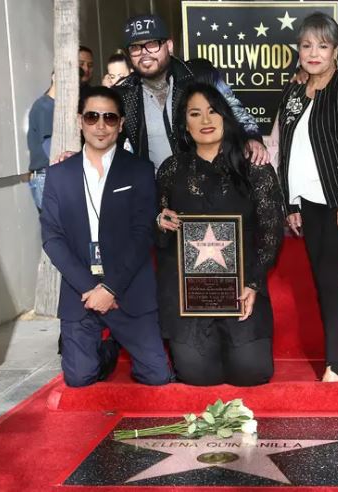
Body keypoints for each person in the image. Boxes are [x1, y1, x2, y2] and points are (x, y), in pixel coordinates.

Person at [40, 86, 171, 387]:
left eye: (110, 118)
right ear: (79, 120)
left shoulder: (140, 171)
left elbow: (142, 234)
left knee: (157, 376)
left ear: (121, 124)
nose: (101, 125)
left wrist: (110, 288)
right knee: (79, 378)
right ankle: (108, 348)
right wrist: (91, 288)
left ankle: (121, 339)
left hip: (128, 289)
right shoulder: (59, 175)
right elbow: (52, 237)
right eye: (92, 116)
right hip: (81, 293)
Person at [155, 83, 283, 386]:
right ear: (184, 123)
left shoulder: (254, 167)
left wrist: (253, 283)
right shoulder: (171, 169)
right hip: (189, 298)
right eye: (195, 114)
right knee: (198, 377)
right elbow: (157, 229)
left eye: (213, 111)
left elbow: (271, 230)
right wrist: (160, 221)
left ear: (226, 115)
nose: (206, 121)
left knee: (251, 373)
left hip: (241, 291)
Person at [278, 13, 338, 382]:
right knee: (323, 278)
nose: (314, 53)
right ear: (298, 51)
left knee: (328, 274)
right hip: (307, 204)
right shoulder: (292, 90)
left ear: (336, 49)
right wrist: (289, 203)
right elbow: (285, 150)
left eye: (322, 45)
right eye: (306, 45)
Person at [115, 14, 267, 172]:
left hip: (208, 180)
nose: (144, 53)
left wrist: (251, 138)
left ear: (169, 45)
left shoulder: (200, 74)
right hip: (155, 190)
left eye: (152, 44)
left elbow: (234, 108)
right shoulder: (123, 94)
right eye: (135, 47)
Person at [27, 73, 55, 211]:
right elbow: (48, 145)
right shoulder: (45, 106)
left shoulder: (50, 105)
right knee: (55, 226)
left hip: (46, 174)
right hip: (46, 174)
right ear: (54, 77)